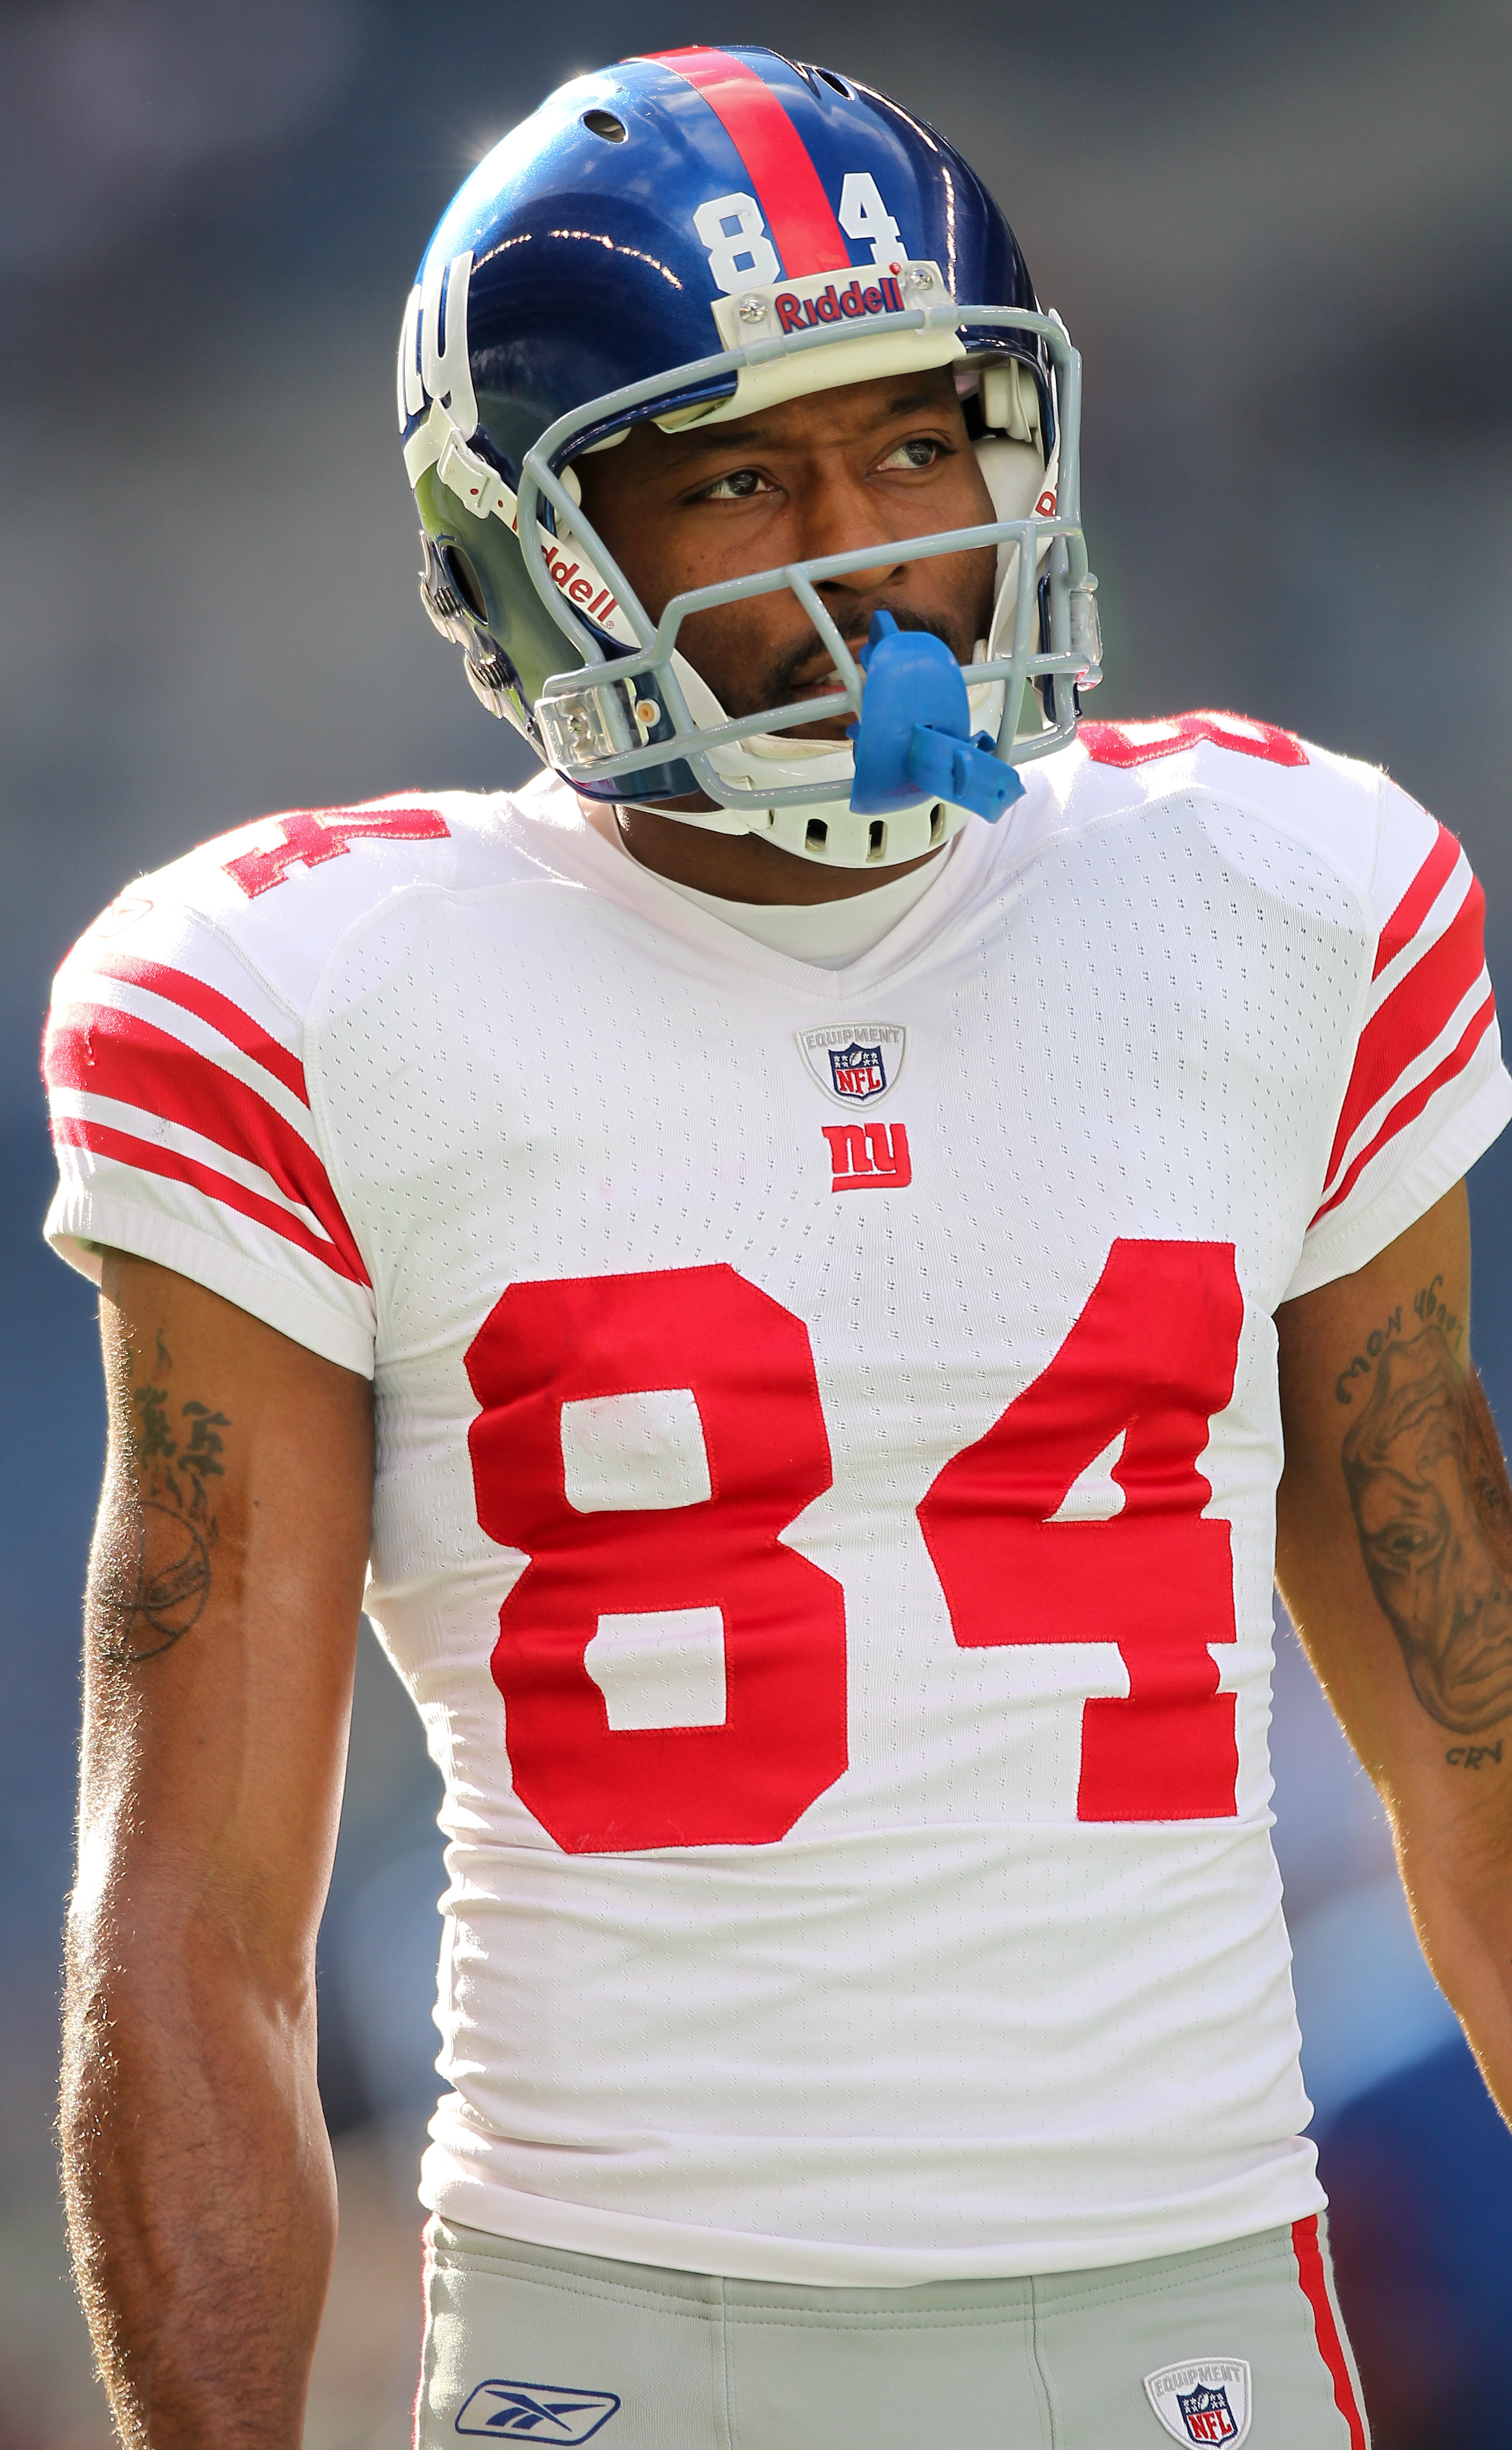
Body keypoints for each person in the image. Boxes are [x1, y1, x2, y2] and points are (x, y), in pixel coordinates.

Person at [43, 45, 1512, 2450]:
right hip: (618, 2345)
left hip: (1188, 2326)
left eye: (913, 444)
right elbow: (201, 1917)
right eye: (736, 475)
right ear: (532, 555)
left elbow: (1471, 1754)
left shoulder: (1280, 901)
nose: (864, 544)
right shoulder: (298, 994)